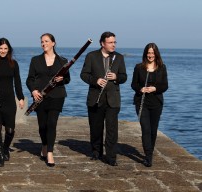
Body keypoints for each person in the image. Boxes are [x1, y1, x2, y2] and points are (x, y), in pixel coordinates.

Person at [80, 31, 127, 166]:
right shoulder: (91, 56)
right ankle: (96, 152)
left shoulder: (119, 57)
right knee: (96, 128)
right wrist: (96, 80)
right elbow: (84, 75)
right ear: (102, 43)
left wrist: (117, 77)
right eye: (111, 42)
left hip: (113, 99)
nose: (114, 45)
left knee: (112, 130)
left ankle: (111, 157)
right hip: (95, 98)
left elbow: (124, 77)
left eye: (114, 42)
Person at [26, 33, 70, 167]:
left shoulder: (62, 61)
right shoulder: (35, 60)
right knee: (42, 125)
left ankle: (50, 152)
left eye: (46, 41)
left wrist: (62, 79)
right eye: (42, 42)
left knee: (52, 123)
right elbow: (30, 79)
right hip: (40, 97)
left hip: (57, 96)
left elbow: (67, 79)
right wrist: (33, 90)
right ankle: (44, 144)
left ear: (53, 43)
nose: (43, 44)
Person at [0, 38, 25, 167]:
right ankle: (0, 155)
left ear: (9, 50)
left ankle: (5, 148)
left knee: (10, 130)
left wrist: (20, 98)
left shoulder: (14, 64)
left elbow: (17, 82)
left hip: (9, 100)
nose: (3, 51)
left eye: (5, 48)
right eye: (1, 48)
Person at [131, 43, 168, 167]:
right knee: (145, 129)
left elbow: (165, 86)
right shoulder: (139, 67)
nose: (150, 55)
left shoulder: (162, 68)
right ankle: (148, 156)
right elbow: (133, 84)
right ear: (145, 53)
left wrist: (154, 89)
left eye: (152, 53)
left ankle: (150, 152)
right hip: (142, 102)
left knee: (153, 130)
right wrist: (140, 89)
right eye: (148, 52)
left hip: (156, 103)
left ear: (156, 54)